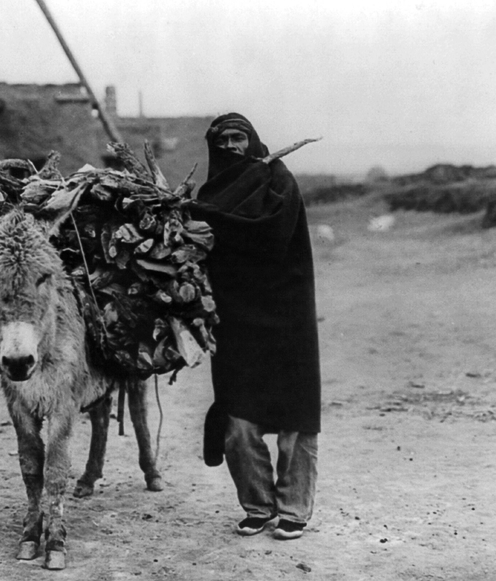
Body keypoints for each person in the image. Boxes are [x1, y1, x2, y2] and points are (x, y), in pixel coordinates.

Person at [189, 113, 322, 541]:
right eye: (223, 139)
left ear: (253, 141)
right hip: (236, 319)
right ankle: (258, 505)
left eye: (238, 137)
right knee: (239, 421)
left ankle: (294, 509)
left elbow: (269, 236)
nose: (231, 146)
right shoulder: (210, 192)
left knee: (294, 419)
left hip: (286, 315)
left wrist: (210, 226)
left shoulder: (277, 180)